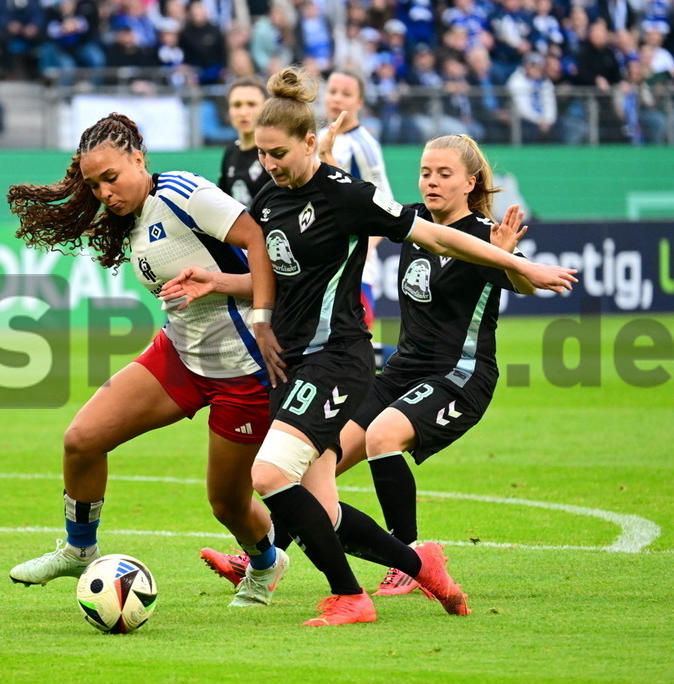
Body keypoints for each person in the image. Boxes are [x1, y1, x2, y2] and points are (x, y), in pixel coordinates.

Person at [171, 67, 576, 626]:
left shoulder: (348, 198)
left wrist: (518, 262)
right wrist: (217, 282)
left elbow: (434, 233)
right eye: (262, 154)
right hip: (291, 362)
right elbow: (276, 280)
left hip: (337, 357)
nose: (267, 164)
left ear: (309, 142)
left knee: (268, 476)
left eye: (277, 153)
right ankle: (418, 564)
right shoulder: (268, 199)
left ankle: (346, 595)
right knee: (325, 508)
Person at [6, 112, 292, 608]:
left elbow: (259, 243)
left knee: (226, 502)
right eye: (95, 186)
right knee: (82, 440)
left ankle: (266, 564)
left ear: (139, 159)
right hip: (179, 354)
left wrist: (262, 316)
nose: (104, 193)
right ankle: (79, 549)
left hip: (243, 369)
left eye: (111, 178)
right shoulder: (131, 219)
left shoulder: (185, 194)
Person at [330, 133, 539, 597]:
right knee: (317, 460)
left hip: (460, 375)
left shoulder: (485, 235)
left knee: (382, 436)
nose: (432, 182)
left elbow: (525, 285)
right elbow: (349, 203)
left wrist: (508, 258)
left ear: (470, 182)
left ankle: (409, 556)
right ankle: (266, 556)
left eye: (444, 174)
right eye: (426, 172)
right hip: (403, 370)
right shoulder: (413, 221)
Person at [317, 69, 395, 363]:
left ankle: (412, 369)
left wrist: (361, 252)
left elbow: (384, 205)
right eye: (333, 91)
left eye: (345, 94)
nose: (337, 99)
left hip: (353, 264)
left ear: (360, 101)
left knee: (352, 349)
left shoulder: (364, 145)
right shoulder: (322, 136)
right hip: (323, 259)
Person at [217, 76, 269, 209]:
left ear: (266, 108)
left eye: (251, 104)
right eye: (237, 105)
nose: (243, 112)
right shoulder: (230, 152)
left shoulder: (273, 152)